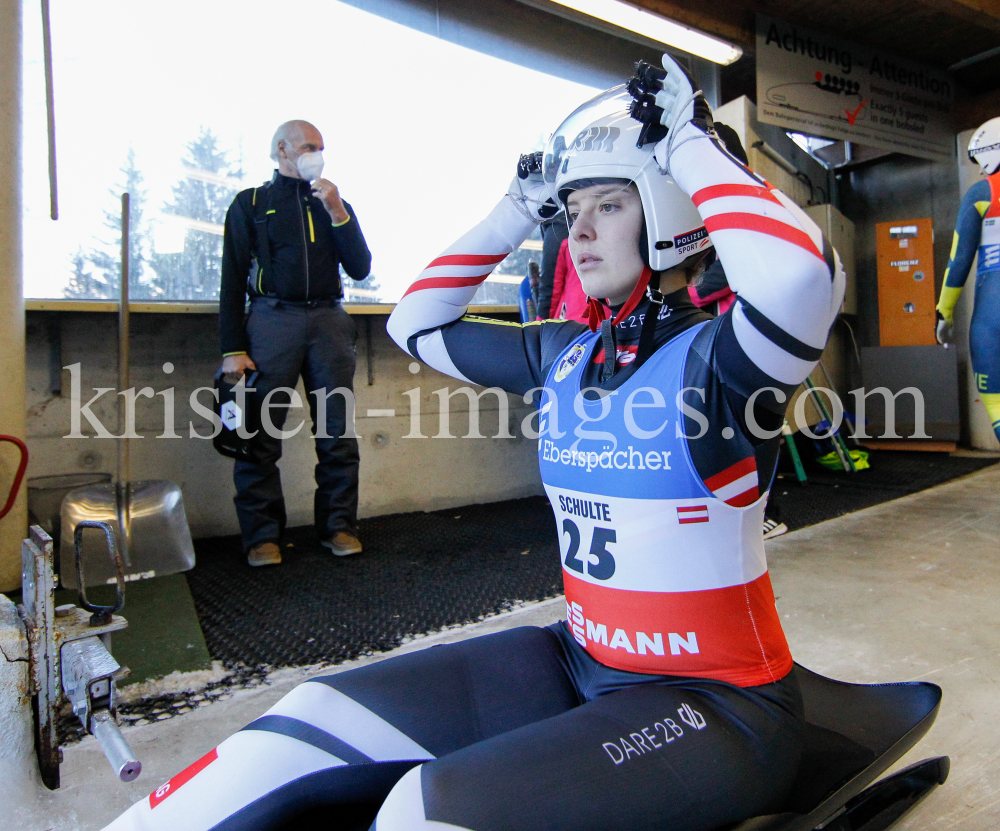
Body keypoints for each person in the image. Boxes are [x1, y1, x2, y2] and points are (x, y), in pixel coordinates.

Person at [101, 57, 842, 831]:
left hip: (718, 703)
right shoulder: (566, 351)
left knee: (423, 816)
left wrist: (689, 144)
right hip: (576, 659)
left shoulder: (726, 362)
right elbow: (413, 321)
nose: (578, 231)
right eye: (571, 208)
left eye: (610, 205)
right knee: (301, 726)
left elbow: (800, 277)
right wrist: (517, 206)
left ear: (669, 212)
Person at [218, 120, 372, 567]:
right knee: (258, 433)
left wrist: (338, 212)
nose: (317, 155)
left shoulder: (332, 203)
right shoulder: (252, 203)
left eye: (321, 148)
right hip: (271, 320)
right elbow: (231, 278)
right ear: (282, 150)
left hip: (329, 320)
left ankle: (340, 527)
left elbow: (360, 267)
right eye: (308, 147)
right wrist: (232, 348)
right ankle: (262, 537)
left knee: (337, 430)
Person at [936, 117, 1000, 443]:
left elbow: (958, 261)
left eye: (980, 161)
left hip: (992, 311)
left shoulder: (981, 192)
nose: (979, 171)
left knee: (997, 403)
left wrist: (943, 313)